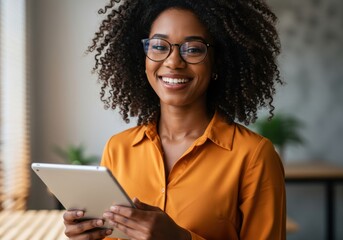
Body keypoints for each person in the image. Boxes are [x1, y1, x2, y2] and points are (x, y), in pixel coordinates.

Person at [63, 0, 286, 239]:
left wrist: (180, 238)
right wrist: (87, 235)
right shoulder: (118, 149)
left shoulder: (254, 156)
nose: (173, 62)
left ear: (217, 62)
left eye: (193, 49)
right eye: (159, 46)